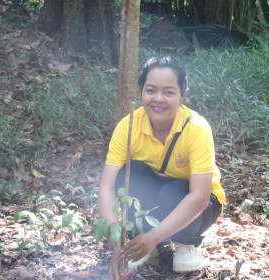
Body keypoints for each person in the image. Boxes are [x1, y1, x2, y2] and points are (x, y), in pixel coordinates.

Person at [97, 56, 225, 280]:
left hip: (200, 206)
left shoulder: (197, 128)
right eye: (151, 90)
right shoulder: (128, 127)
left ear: (183, 94)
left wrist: (155, 236)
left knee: (174, 191)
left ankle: (188, 243)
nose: (158, 99)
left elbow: (200, 197)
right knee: (129, 173)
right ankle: (142, 243)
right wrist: (115, 244)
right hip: (159, 198)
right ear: (141, 91)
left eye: (168, 92)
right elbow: (107, 188)